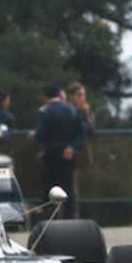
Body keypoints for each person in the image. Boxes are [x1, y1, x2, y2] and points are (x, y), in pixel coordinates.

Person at [34, 83, 84, 219]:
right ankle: (70, 218)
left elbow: (40, 136)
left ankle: (51, 217)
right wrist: (72, 147)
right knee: (68, 187)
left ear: (45, 96)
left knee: (50, 187)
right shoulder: (72, 110)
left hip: (51, 155)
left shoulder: (45, 111)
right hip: (68, 155)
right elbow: (81, 134)